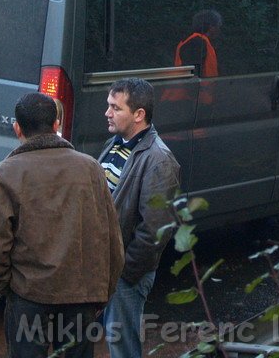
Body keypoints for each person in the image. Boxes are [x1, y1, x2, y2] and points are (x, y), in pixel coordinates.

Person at [0, 92, 123, 358]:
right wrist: (102, 291)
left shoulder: (3, 174)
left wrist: (7, 288)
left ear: (17, 128)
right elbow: (111, 238)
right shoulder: (90, 168)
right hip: (81, 297)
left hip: (28, 296)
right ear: (56, 125)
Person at [100, 78, 181, 358]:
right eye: (108, 105)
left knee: (122, 345)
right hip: (107, 267)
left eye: (115, 107)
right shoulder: (116, 143)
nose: (107, 113)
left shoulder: (159, 161)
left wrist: (124, 272)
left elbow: (156, 229)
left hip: (125, 273)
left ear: (139, 115)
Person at [175, 9, 222, 76]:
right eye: (218, 26)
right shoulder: (196, 42)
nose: (219, 29)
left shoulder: (196, 41)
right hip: (195, 86)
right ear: (211, 26)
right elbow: (193, 74)